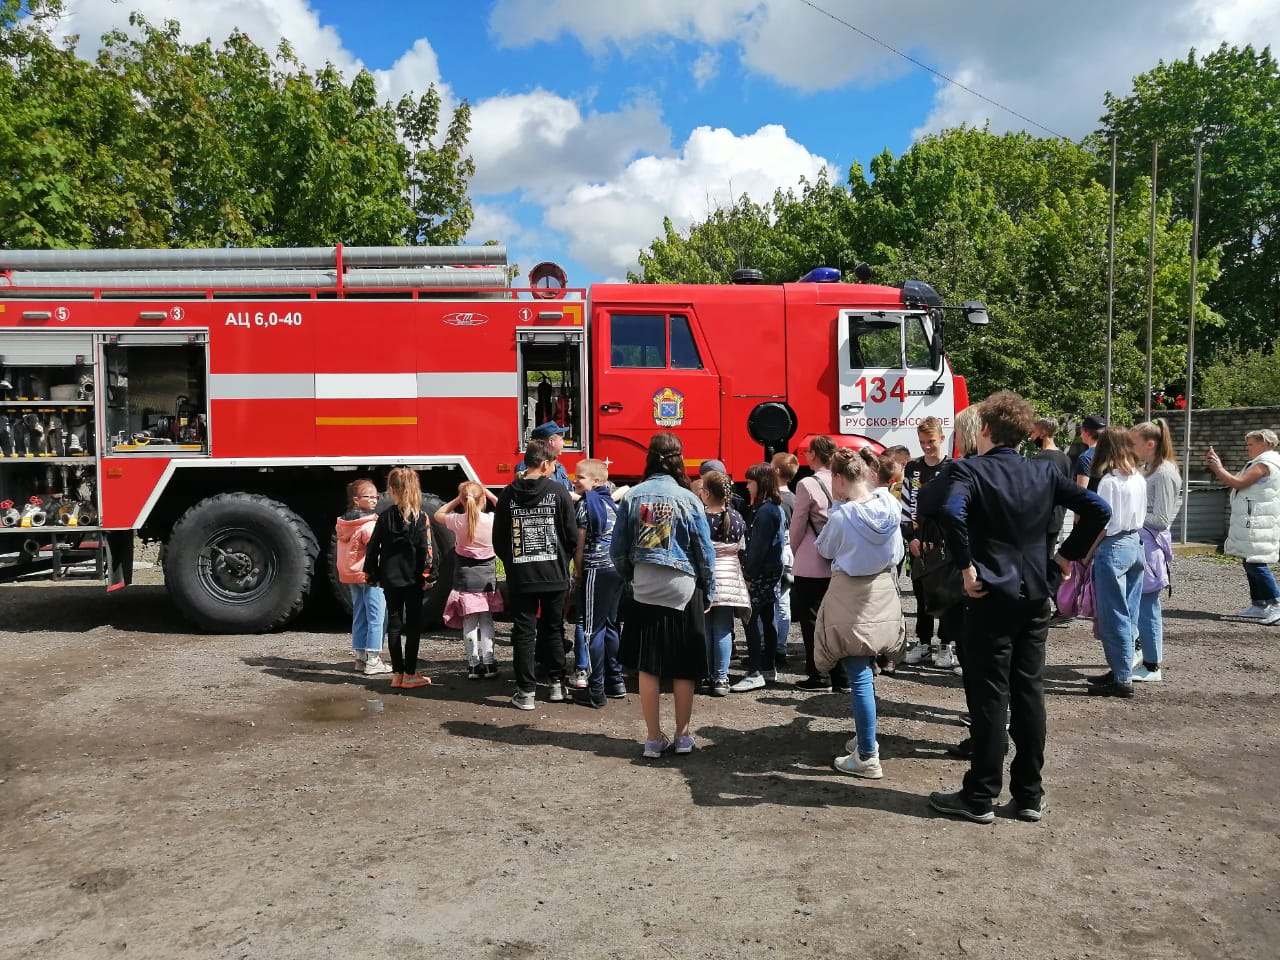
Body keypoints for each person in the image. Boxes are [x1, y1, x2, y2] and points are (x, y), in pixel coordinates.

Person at [923, 391, 1109, 824]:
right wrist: (1067, 556)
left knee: (991, 695)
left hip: (990, 595)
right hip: (1035, 594)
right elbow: (1099, 508)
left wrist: (967, 565)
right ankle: (1029, 793)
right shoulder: (1041, 472)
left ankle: (980, 794)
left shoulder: (968, 470)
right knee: (1029, 692)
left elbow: (948, 512)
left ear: (984, 429)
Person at [611, 432, 716, 757]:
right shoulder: (688, 497)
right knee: (684, 666)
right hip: (683, 589)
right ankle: (683, 736)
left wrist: (631, 577)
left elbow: (617, 550)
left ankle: (653, 739)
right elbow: (704, 550)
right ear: (679, 458)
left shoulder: (633, 496)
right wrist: (708, 589)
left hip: (645, 587)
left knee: (648, 665)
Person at [813, 447, 906, 779]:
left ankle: (867, 754)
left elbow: (824, 548)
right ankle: (865, 740)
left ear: (839, 477)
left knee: (859, 675)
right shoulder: (890, 505)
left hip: (851, 594)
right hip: (883, 591)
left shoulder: (842, 516)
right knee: (867, 670)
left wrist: (838, 508)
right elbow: (897, 552)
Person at [494, 439, 578, 709]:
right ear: (544, 464)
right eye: (554, 463)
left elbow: (499, 539)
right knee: (554, 629)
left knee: (523, 631)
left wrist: (514, 561)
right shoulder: (558, 492)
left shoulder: (507, 494)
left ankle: (526, 691)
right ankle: (556, 685)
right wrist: (562, 559)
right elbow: (571, 535)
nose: (555, 468)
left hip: (521, 575)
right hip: (554, 574)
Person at [1086, 428, 1148, 699]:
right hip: (1135, 542)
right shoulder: (1138, 477)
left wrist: (1087, 553)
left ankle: (1122, 677)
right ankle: (1121, 668)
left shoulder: (1109, 481)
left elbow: (1105, 523)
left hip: (1114, 545)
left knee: (1113, 615)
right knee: (1130, 611)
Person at [364, 467, 433, 690]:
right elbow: (428, 550)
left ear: (391, 490)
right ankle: (411, 674)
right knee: (412, 626)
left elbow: (373, 547)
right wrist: (430, 575)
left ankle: (397, 674)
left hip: (390, 579)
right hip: (413, 580)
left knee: (394, 625)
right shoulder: (421, 518)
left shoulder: (384, 517)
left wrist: (372, 573)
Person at [789, 435, 846, 691]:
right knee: (838, 618)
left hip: (811, 560)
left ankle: (819, 675)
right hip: (841, 558)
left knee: (812, 620)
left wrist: (792, 549)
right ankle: (843, 676)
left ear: (813, 454)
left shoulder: (806, 484)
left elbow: (798, 524)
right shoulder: (842, 479)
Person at [568, 458, 626, 708]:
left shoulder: (585, 506)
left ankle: (596, 688)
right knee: (612, 625)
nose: (575, 480)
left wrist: (578, 571)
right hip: (616, 569)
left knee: (592, 629)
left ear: (597, 481)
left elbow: (579, 546)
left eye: (580, 477)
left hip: (595, 569)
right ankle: (616, 680)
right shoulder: (612, 505)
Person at [1207, 429, 1280, 625]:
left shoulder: (1265, 464)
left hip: (1257, 521)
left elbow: (1238, 483)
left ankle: (1276, 603)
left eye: (1250, 444)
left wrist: (1218, 468)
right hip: (1253, 519)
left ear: (1264, 444)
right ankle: (1259, 604)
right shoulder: (1261, 462)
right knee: (1249, 561)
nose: (1247, 448)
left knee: (1256, 561)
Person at [434, 481, 504, 680]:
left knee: (470, 622)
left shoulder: (457, 520)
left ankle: (473, 665)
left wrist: (459, 499)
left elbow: (438, 514)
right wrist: (490, 495)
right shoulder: (491, 519)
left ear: (464, 501)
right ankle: (489, 663)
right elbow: (508, 510)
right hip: (487, 580)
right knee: (487, 621)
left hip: (465, 579)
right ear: (482, 500)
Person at [1129, 420, 1182, 682]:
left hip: (1150, 546)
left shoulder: (1164, 473)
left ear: (1150, 443)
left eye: (1134, 442)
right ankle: (1144, 656)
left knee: (1147, 606)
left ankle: (1152, 665)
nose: (1130, 446)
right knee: (1141, 605)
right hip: (1144, 543)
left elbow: (1161, 518)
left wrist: (1130, 514)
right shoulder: (1153, 469)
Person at [730, 462, 786, 691]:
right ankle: (768, 666)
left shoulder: (764, 512)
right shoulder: (775, 507)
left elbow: (758, 549)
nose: (748, 486)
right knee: (768, 620)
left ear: (760, 483)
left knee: (750, 620)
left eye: (751, 482)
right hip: (773, 572)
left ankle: (754, 670)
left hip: (760, 574)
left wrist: (749, 575)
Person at [901, 417, 952, 669]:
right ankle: (922, 643)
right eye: (922, 442)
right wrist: (910, 537)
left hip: (944, 543)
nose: (927, 446)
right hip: (918, 542)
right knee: (921, 597)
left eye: (931, 441)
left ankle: (946, 644)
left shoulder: (953, 467)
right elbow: (905, 504)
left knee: (946, 596)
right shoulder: (913, 468)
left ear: (941, 438)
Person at [698, 469, 750, 696]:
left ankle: (709, 674)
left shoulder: (701, 517)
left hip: (708, 578)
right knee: (723, 630)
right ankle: (722, 678)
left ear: (707, 493)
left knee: (708, 629)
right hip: (731, 579)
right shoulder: (737, 517)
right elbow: (741, 548)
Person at [335, 477, 391, 676]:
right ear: (357, 500)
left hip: (350, 575)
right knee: (377, 616)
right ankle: (373, 659)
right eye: (370, 497)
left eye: (376, 496)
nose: (375, 500)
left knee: (359, 614)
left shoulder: (343, 523)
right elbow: (381, 550)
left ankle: (360, 658)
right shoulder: (369, 525)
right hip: (369, 576)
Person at [1031, 416, 1073, 595]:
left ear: (1043, 432)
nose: (1031, 436)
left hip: (1039, 518)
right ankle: (1058, 597)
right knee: (1047, 555)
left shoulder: (1038, 459)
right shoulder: (1065, 459)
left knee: (1038, 560)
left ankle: (1054, 596)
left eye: (1033, 431)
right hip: (1058, 516)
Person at [771, 451, 799, 669]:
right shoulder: (795, 499)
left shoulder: (773, 500)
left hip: (775, 553)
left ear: (777, 471)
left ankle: (768, 646)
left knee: (767, 603)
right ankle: (781, 646)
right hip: (789, 554)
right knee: (784, 602)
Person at [516, 421, 573, 490]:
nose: (564, 444)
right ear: (551, 441)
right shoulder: (528, 466)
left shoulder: (560, 467)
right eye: (561, 439)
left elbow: (569, 489)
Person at [1073, 414, 1106, 489]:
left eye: (1081, 430)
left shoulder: (1085, 457)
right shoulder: (1112, 453)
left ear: (1086, 431)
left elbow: (1081, 491)